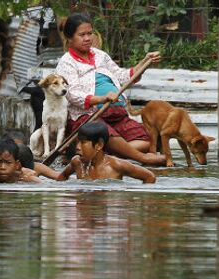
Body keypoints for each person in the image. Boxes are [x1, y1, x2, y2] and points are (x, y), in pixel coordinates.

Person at [55, 13, 166, 166]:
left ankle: (108, 156)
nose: (88, 38)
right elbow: (72, 94)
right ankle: (141, 158)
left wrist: (145, 62)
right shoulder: (66, 62)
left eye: (89, 33)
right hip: (89, 117)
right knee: (103, 132)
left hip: (116, 113)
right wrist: (101, 99)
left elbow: (123, 77)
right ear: (70, 37)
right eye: (82, 35)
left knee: (148, 140)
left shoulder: (100, 55)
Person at [57, 122, 156, 184]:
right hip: (84, 213)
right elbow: (62, 177)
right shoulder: (77, 162)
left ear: (99, 145)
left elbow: (149, 177)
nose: (77, 147)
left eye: (83, 143)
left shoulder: (116, 165)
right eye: (77, 142)